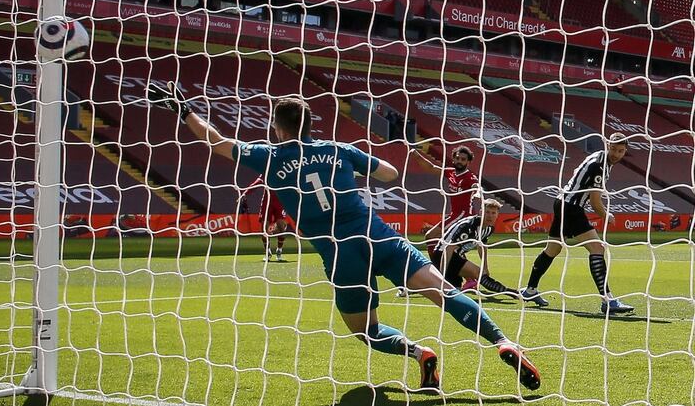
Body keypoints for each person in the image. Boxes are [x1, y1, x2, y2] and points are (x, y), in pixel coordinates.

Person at [148, 82, 541, 392]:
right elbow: (388, 173)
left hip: (340, 254)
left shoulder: (267, 155)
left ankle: (420, 353)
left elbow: (215, 141)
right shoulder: (339, 149)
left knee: (365, 330)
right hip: (378, 236)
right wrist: (350, 170)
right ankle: (504, 342)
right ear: (309, 126)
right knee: (445, 292)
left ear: (278, 126)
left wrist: (185, 111)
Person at [521, 133, 635, 315]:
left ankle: (530, 290)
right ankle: (608, 300)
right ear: (607, 145)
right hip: (571, 207)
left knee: (553, 249)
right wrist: (606, 215)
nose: (616, 154)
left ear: (625, 151)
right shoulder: (599, 165)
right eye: (613, 149)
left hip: (562, 202)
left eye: (620, 151)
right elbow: (595, 201)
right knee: (597, 248)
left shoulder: (599, 158)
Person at [398, 146, 482, 296]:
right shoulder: (451, 172)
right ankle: (470, 279)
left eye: (463, 159)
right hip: (454, 215)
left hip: (464, 216)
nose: (459, 161)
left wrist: (477, 193)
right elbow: (431, 167)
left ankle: (436, 276)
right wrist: (417, 155)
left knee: (431, 237)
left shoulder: (469, 177)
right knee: (450, 247)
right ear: (454, 158)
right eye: (457, 158)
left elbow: (476, 186)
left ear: (468, 162)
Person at [427, 199, 520, 298]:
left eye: (493, 213)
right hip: (443, 256)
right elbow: (448, 248)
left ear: (497, 215)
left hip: (455, 257)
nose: (490, 216)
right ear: (481, 212)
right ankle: (511, 292)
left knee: (455, 294)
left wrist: (485, 266)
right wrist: (442, 274)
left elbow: (482, 246)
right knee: (478, 274)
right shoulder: (469, 226)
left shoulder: (489, 228)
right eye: (487, 212)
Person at [238, 174, 288, 261]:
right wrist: (245, 194)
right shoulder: (266, 172)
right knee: (264, 229)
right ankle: (267, 252)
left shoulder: (283, 170)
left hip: (280, 202)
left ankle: (279, 250)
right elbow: (256, 183)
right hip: (267, 203)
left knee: (281, 228)